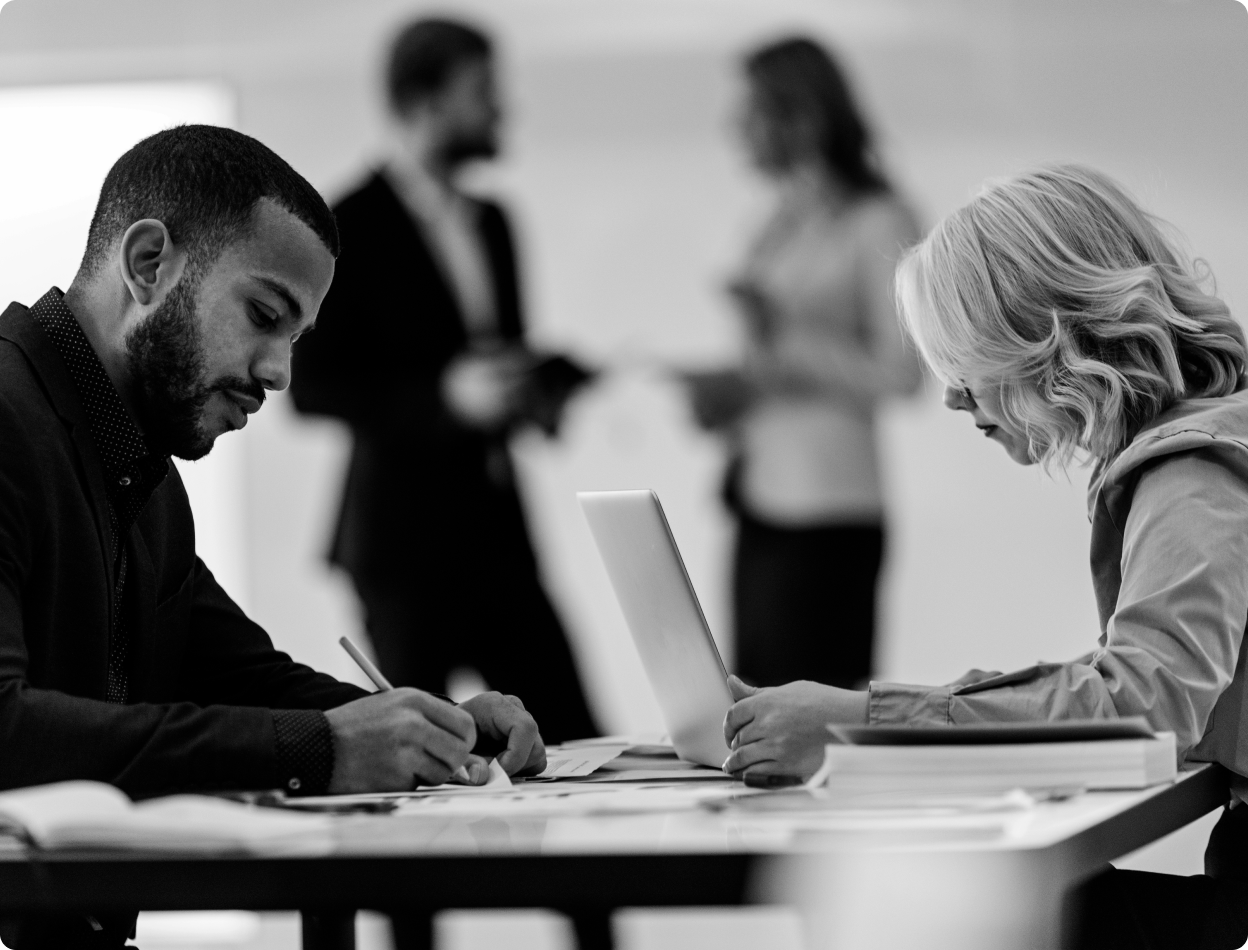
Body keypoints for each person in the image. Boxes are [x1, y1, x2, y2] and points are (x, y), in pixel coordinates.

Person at [0, 124, 546, 950]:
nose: (278, 374)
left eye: (295, 339)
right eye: (264, 315)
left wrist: (424, 730)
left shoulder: (136, 468)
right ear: (149, 264)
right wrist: (322, 749)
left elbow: (240, 679)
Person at [721, 163, 1248, 948]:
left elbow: (1147, 702)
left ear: (1045, 336)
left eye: (964, 360)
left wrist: (862, 726)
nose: (952, 397)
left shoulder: (1191, 472)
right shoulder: (1212, 443)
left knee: (959, 897)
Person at [290, 17, 598, 744]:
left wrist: (539, 390)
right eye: (483, 92)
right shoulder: (345, 225)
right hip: (402, 547)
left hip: (498, 531)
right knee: (418, 750)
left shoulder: (495, 221)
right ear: (424, 101)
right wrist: (444, 398)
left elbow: (497, 356)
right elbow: (313, 388)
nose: (502, 109)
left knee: (573, 739)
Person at [682, 36, 921, 692]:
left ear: (802, 116)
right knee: (748, 705)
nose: (737, 128)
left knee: (814, 713)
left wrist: (784, 350)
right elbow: (769, 363)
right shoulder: (772, 224)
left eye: (751, 110)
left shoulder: (878, 220)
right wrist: (729, 395)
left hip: (830, 512)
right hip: (759, 500)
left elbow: (903, 373)